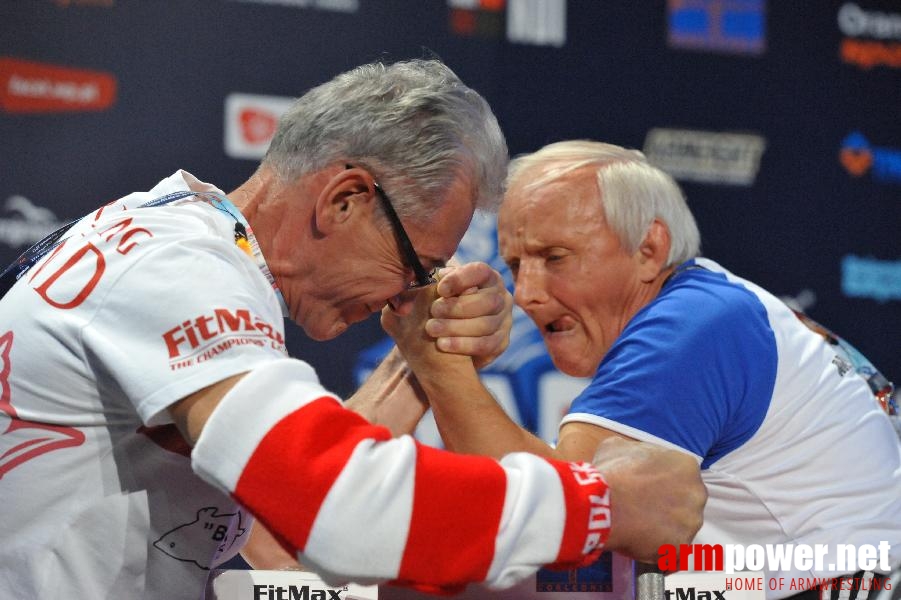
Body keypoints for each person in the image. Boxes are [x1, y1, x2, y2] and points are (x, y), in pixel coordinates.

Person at [0, 65, 705, 599]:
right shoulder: (182, 269)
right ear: (345, 199)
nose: (412, 293)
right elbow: (335, 504)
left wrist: (424, 360)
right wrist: (597, 505)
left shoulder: (175, 234)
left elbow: (279, 526)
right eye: (418, 264)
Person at [385, 139, 900, 600]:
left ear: (649, 249)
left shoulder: (688, 328)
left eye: (555, 257)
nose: (527, 294)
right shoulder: (715, 303)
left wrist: (440, 362)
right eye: (517, 265)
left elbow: (554, 521)